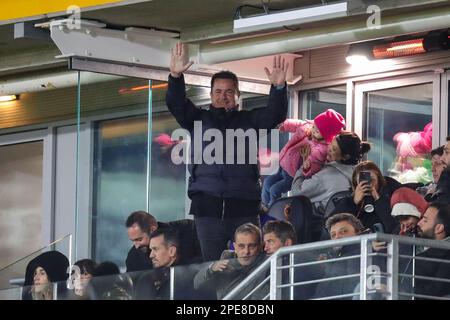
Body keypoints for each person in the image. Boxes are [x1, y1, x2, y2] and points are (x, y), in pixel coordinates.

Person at [166, 42, 288, 262]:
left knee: (248, 265)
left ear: (237, 94)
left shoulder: (249, 120)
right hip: (206, 209)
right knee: (213, 269)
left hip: (244, 208)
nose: (223, 96)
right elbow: (176, 103)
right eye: (218, 92)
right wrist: (175, 76)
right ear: (211, 94)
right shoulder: (197, 119)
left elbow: (275, 115)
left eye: (229, 91)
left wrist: (279, 89)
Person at [261, 109, 346, 209]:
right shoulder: (307, 128)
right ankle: (264, 206)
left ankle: (273, 211)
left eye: (317, 130)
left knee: (275, 190)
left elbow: (314, 165)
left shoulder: (321, 149)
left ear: (326, 135)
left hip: (292, 175)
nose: (313, 130)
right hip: (283, 166)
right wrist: (283, 125)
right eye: (314, 126)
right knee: (267, 183)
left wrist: (307, 165)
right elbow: (296, 124)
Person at [291, 131, 371, 213]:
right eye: (330, 144)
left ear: (345, 157)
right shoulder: (360, 174)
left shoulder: (327, 176)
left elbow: (297, 192)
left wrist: (302, 167)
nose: (328, 148)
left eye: (334, 149)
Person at [194, 223, 266, 300]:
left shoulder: (268, 263)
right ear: (235, 247)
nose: (246, 251)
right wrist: (211, 269)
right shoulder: (227, 258)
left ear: (260, 246)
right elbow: (197, 284)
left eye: (252, 246)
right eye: (241, 246)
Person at [331, 160, 401, 234]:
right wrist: (354, 202)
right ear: (356, 183)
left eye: (372, 180)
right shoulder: (348, 202)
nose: (368, 184)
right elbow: (332, 224)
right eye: (362, 182)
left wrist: (379, 200)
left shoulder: (390, 197)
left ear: (379, 180)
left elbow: (394, 226)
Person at [134, 228, 199, 300]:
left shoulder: (190, 276)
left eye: (155, 249)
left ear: (171, 251)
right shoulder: (146, 278)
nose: (151, 255)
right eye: (151, 250)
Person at [401, 203, 450, 298]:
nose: (419, 223)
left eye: (425, 220)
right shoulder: (412, 244)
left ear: (439, 228)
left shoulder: (447, 255)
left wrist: (400, 289)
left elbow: (436, 289)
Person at [125, 210, 201, 272]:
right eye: (133, 241)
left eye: (139, 239)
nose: (136, 246)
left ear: (152, 229)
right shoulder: (134, 257)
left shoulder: (189, 231)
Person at [313, 213, 365, 299]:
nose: (337, 237)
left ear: (358, 232)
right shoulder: (331, 260)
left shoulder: (366, 252)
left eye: (344, 231)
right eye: (333, 235)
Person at [262, 220, 317, 299]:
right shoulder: (281, 260)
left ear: (287, 243)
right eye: (265, 243)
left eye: (270, 242)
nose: (265, 248)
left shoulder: (301, 263)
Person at [426, 137, 450, 204]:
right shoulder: (428, 186)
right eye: (432, 164)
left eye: (437, 164)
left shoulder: (445, 190)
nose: (432, 169)